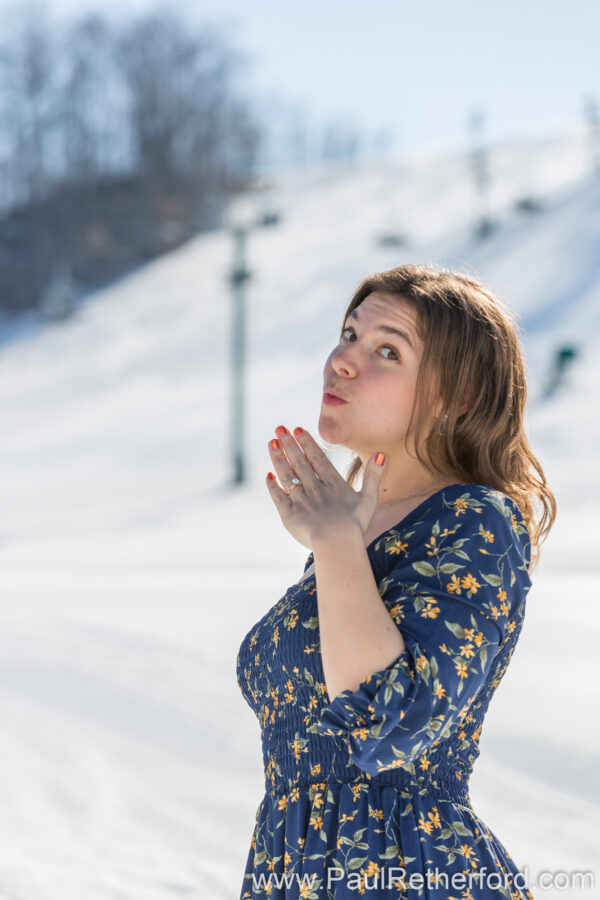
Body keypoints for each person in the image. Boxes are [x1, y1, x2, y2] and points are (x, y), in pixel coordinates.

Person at [236, 263, 556, 899]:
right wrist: (337, 544)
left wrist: (333, 543)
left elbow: (391, 719)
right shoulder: (354, 535)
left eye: (387, 350)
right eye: (349, 334)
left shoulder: (475, 519)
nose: (344, 360)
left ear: (453, 399)